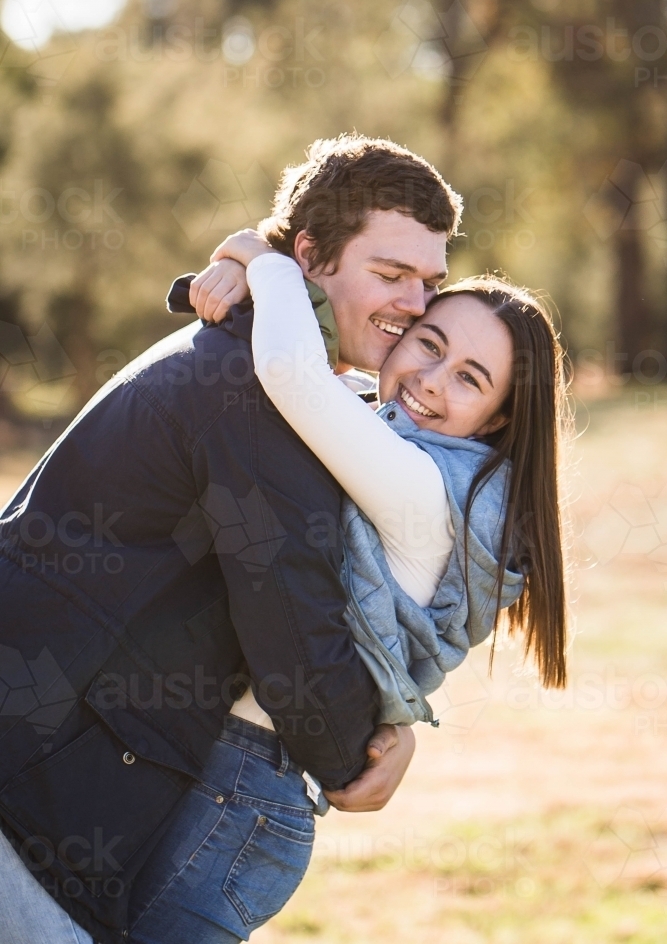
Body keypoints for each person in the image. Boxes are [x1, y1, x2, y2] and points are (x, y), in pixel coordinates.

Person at [0, 134, 462, 944]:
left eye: (430, 281)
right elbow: (291, 611)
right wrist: (365, 752)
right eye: (390, 275)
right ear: (311, 258)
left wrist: (256, 255)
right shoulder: (251, 388)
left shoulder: (264, 366)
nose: (416, 303)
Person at [186, 229, 570, 732]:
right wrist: (249, 275)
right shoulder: (376, 423)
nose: (431, 379)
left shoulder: (430, 490)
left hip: (248, 763)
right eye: (429, 344)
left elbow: (290, 370)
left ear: (496, 420)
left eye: (469, 379)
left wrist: (260, 257)